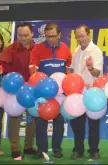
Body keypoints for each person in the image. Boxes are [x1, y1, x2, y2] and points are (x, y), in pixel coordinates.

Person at [0, 23, 38, 159]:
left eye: (26, 35)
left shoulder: (38, 49)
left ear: (32, 34)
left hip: (33, 89)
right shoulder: (10, 49)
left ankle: (29, 146)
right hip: (15, 91)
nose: (23, 38)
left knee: (34, 119)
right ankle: (15, 149)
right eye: (20, 35)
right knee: (15, 119)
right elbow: (0, 64)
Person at [29, 22, 72, 159]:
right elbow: (32, 70)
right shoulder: (37, 49)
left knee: (59, 122)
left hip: (59, 94)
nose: (50, 39)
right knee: (41, 122)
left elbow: (69, 70)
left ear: (59, 35)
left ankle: (57, 148)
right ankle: (41, 149)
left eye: (53, 36)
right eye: (47, 36)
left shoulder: (65, 49)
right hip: (43, 92)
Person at [70, 24, 103, 160]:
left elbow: (98, 73)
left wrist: (90, 68)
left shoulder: (95, 50)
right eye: (77, 37)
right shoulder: (76, 50)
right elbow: (72, 70)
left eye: (82, 36)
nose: (80, 39)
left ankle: (94, 149)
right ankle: (78, 149)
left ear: (89, 35)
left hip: (92, 91)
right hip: (77, 92)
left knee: (93, 123)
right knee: (78, 123)